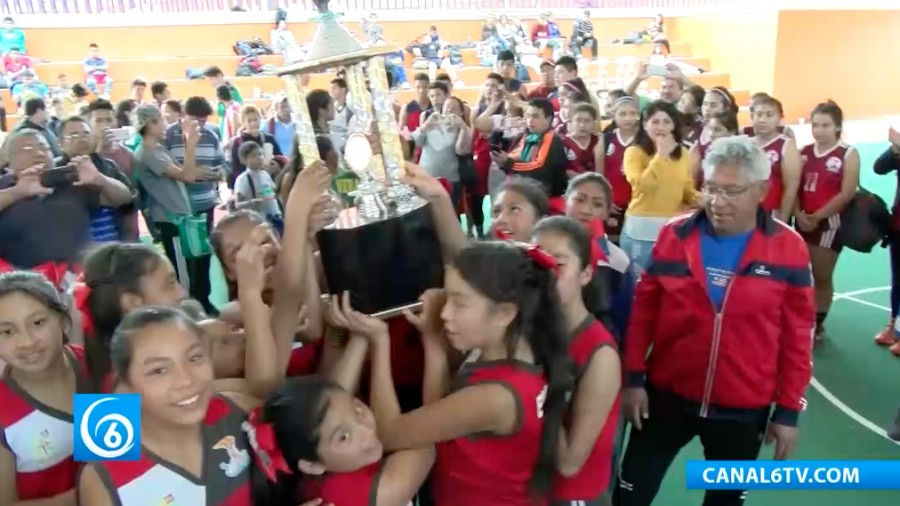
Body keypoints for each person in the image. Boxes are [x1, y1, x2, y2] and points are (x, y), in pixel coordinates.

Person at [615, 136, 815, 506]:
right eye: (711, 189)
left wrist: (788, 412)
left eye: (732, 191)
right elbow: (644, 312)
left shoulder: (790, 248)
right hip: (665, 397)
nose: (717, 203)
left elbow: (797, 337)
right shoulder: (673, 234)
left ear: (761, 190)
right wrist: (633, 378)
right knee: (630, 495)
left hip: (743, 410)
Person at [350, 238, 572, 505]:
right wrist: (433, 339)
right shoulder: (510, 355)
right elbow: (439, 421)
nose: (444, 313)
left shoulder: (496, 397)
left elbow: (390, 433)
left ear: (503, 314)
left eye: (459, 302)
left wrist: (378, 340)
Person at [77, 307, 256, 505]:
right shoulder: (101, 473)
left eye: (194, 357)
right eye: (159, 370)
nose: (186, 380)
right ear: (126, 385)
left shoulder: (233, 410)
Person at [532, 217, 621, 506]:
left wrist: (540, 383)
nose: (545, 276)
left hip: (572, 496)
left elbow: (570, 462)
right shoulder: (530, 331)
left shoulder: (601, 354)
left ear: (585, 274)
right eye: (537, 264)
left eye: (557, 265)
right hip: (528, 488)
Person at [0, 272, 91, 505]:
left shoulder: (97, 366)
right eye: (7, 331)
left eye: (38, 322)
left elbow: (122, 461)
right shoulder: (4, 413)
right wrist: (86, 496)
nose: (27, 342)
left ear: (62, 319)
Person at [0, 128, 132, 272]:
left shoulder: (71, 181)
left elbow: (123, 197)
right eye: (27, 148)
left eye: (45, 148)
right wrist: (17, 192)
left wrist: (101, 180)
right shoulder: (5, 186)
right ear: (9, 160)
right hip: (25, 284)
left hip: (79, 281)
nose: (39, 153)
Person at [796, 101, 859, 342]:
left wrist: (818, 215)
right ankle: (799, 318)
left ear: (837, 127)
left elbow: (847, 193)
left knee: (822, 276)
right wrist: (799, 213)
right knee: (800, 274)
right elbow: (793, 186)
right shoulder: (804, 152)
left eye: (825, 125)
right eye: (815, 125)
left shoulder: (848, 153)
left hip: (829, 224)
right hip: (801, 221)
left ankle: (818, 324)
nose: (819, 130)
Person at [131, 105, 206, 294]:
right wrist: (189, 143)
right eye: (162, 120)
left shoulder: (158, 149)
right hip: (170, 220)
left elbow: (184, 173)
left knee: (192, 268)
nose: (165, 124)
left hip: (179, 217)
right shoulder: (147, 153)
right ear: (151, 123)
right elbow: (187, 176)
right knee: (183, 276)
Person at [620, 100, 700, 276]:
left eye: (667, 121)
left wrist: (702, 199)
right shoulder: (634, 153)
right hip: (640, 229)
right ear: (644, 125)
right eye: (655, 122)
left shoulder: (683, 153)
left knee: (667, 283)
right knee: (638, 284)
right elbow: (643, 186)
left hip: (671, 229)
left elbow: (686, 188)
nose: (661, 127)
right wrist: (661, 155)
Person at [492, 98, 569, 204]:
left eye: (535, 116)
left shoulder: (552, 139)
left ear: (548, 119)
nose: (530, 120)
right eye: (527, 116)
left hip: (541, 199)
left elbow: (540, 167)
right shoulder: (523, 136)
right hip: (522, 194)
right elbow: (513, 161)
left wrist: (508, 163)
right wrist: (502, 161)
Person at [749, 95, 801, 221]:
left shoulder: (786, 145)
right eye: (759, 114)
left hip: (773, 213)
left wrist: (782, 219)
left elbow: (791, 187)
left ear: (779, 118)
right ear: (752, 117)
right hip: (747, 212)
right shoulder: (746, 144)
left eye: (769, 115)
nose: (762, 119)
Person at [874, 127, 900, 356]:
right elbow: (879, 167)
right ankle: (893, 326)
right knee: (898, 278)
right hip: (898, 225)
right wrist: (895, 149)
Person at [234, 142, 284, 234]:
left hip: (275, 217)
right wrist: (253, 202)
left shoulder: (265, 174)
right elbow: (237, 204)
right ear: (243, 160)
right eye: (254, 156)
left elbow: (273, 191)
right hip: (259, 222)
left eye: (260, 154)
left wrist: (277, 173)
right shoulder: (242, 179)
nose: (259, 158)